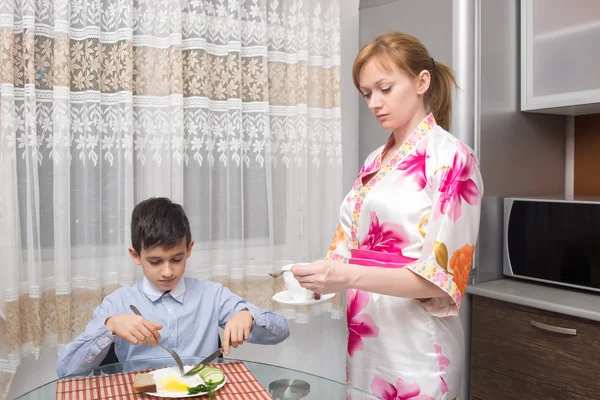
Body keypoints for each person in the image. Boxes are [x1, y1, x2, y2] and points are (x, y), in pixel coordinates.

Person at [291, 32, 483, 399]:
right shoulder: (373, 162)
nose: (374, 103)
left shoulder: (454, 159)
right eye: (367, 93)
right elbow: (346, 245)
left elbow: (438, 279)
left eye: (385, 88)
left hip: (418, 346)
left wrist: (345, 274)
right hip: (367, 339)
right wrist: (314, 278)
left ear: (421, 82)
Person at [57, 197, 290, 378]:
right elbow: (66, 370)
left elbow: (281, 331)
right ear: (136, 255)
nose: (168, 271)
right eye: (155, 262)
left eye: (177, 259)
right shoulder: (117, 303)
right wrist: (110, 328)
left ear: (189, 249)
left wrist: (248, 316)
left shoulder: (212, 295)